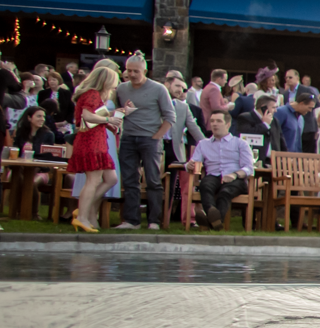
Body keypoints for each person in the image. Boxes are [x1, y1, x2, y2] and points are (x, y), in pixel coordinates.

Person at [111, 54, 174, 230]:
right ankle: (132, 220)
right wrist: (122, 111)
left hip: (150, 139)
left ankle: (154, 221)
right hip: (128, 137)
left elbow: (170, 116)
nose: (132, 74)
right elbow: (115, 112)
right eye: (129, 71)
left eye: (136, 71)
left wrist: (157, 136)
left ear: (145, 71)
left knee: (153, 180)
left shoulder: (158, 89)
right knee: (130, 180)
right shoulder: (121, 89)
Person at [65, 60, 121, 231]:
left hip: (97, 141)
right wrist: (108, 119)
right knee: (93, 180)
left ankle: (83, 208)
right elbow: (87, 116)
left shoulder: (93, 95)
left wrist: (109, 124)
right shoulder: (92, 94)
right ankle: (82, 216)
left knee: (111, 179)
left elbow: (92, 119)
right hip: (91, 142)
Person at [187, 110, 257, 230]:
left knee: (225, 192)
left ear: (228, 124)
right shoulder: (203, 144)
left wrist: (234, 175)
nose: (214, 124)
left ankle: (211, 221)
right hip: (213, 175)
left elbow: (249, 168)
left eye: (219, 121)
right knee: (205, 185)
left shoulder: (240, 143)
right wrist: (189, 165)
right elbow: (194, 162)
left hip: (235, 178)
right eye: (212, 121)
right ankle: (214, 218)